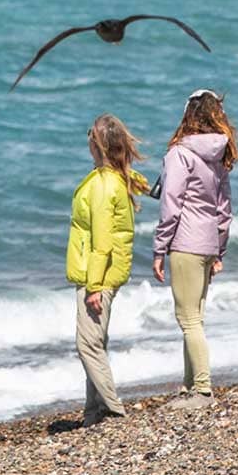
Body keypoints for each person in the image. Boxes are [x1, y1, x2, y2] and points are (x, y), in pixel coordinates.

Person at [152, 89, 237, 409]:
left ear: (188, 115)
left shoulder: (179, 154)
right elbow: (224, 209)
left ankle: (202, 389)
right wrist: (220, 250)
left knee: (188, 320)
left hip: (185, 243)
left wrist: (159, 248)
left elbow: (170, 205)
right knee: (195, 317)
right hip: (207, 243)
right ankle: (189, 387)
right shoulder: (220, 155)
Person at [66, 113, 149, 426]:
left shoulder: (104, 186)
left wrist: (94, 287)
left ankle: (113, 410)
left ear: (97, 144)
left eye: (90, 133)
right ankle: (94, 411)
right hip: (104, 271)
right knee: (95, 342)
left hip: (97, 273)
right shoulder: (117, 177)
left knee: (86, 344)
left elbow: (101, 243)